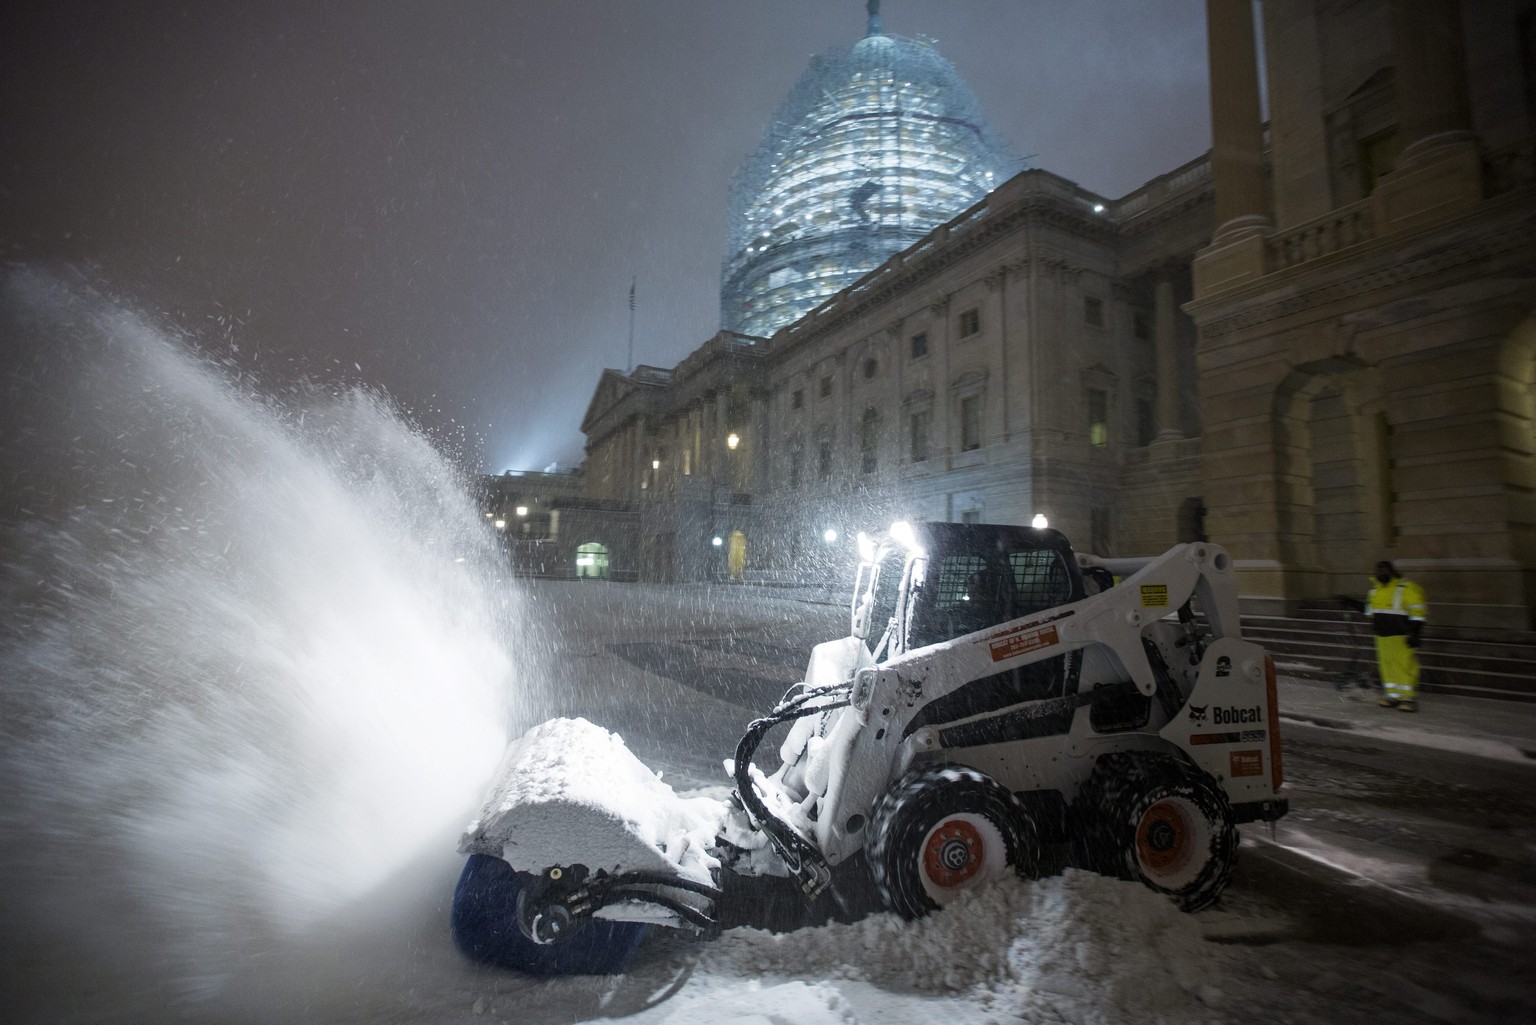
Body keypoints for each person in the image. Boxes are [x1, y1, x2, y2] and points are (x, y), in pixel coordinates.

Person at [1364, 561, 1427, 712]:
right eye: (1378, 570)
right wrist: (1351, 603)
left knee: (1405, 666)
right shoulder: (1374, 591)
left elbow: (1417, 612)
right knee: (1387, 666)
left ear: (1392, 571)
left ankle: (1408, 699)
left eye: (1384, 570)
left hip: (1401, 636)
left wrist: (1415, 633)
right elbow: (1370, 612)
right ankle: (1392, 696)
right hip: (1382, 636)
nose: (1381, 573)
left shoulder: (1405, 588)